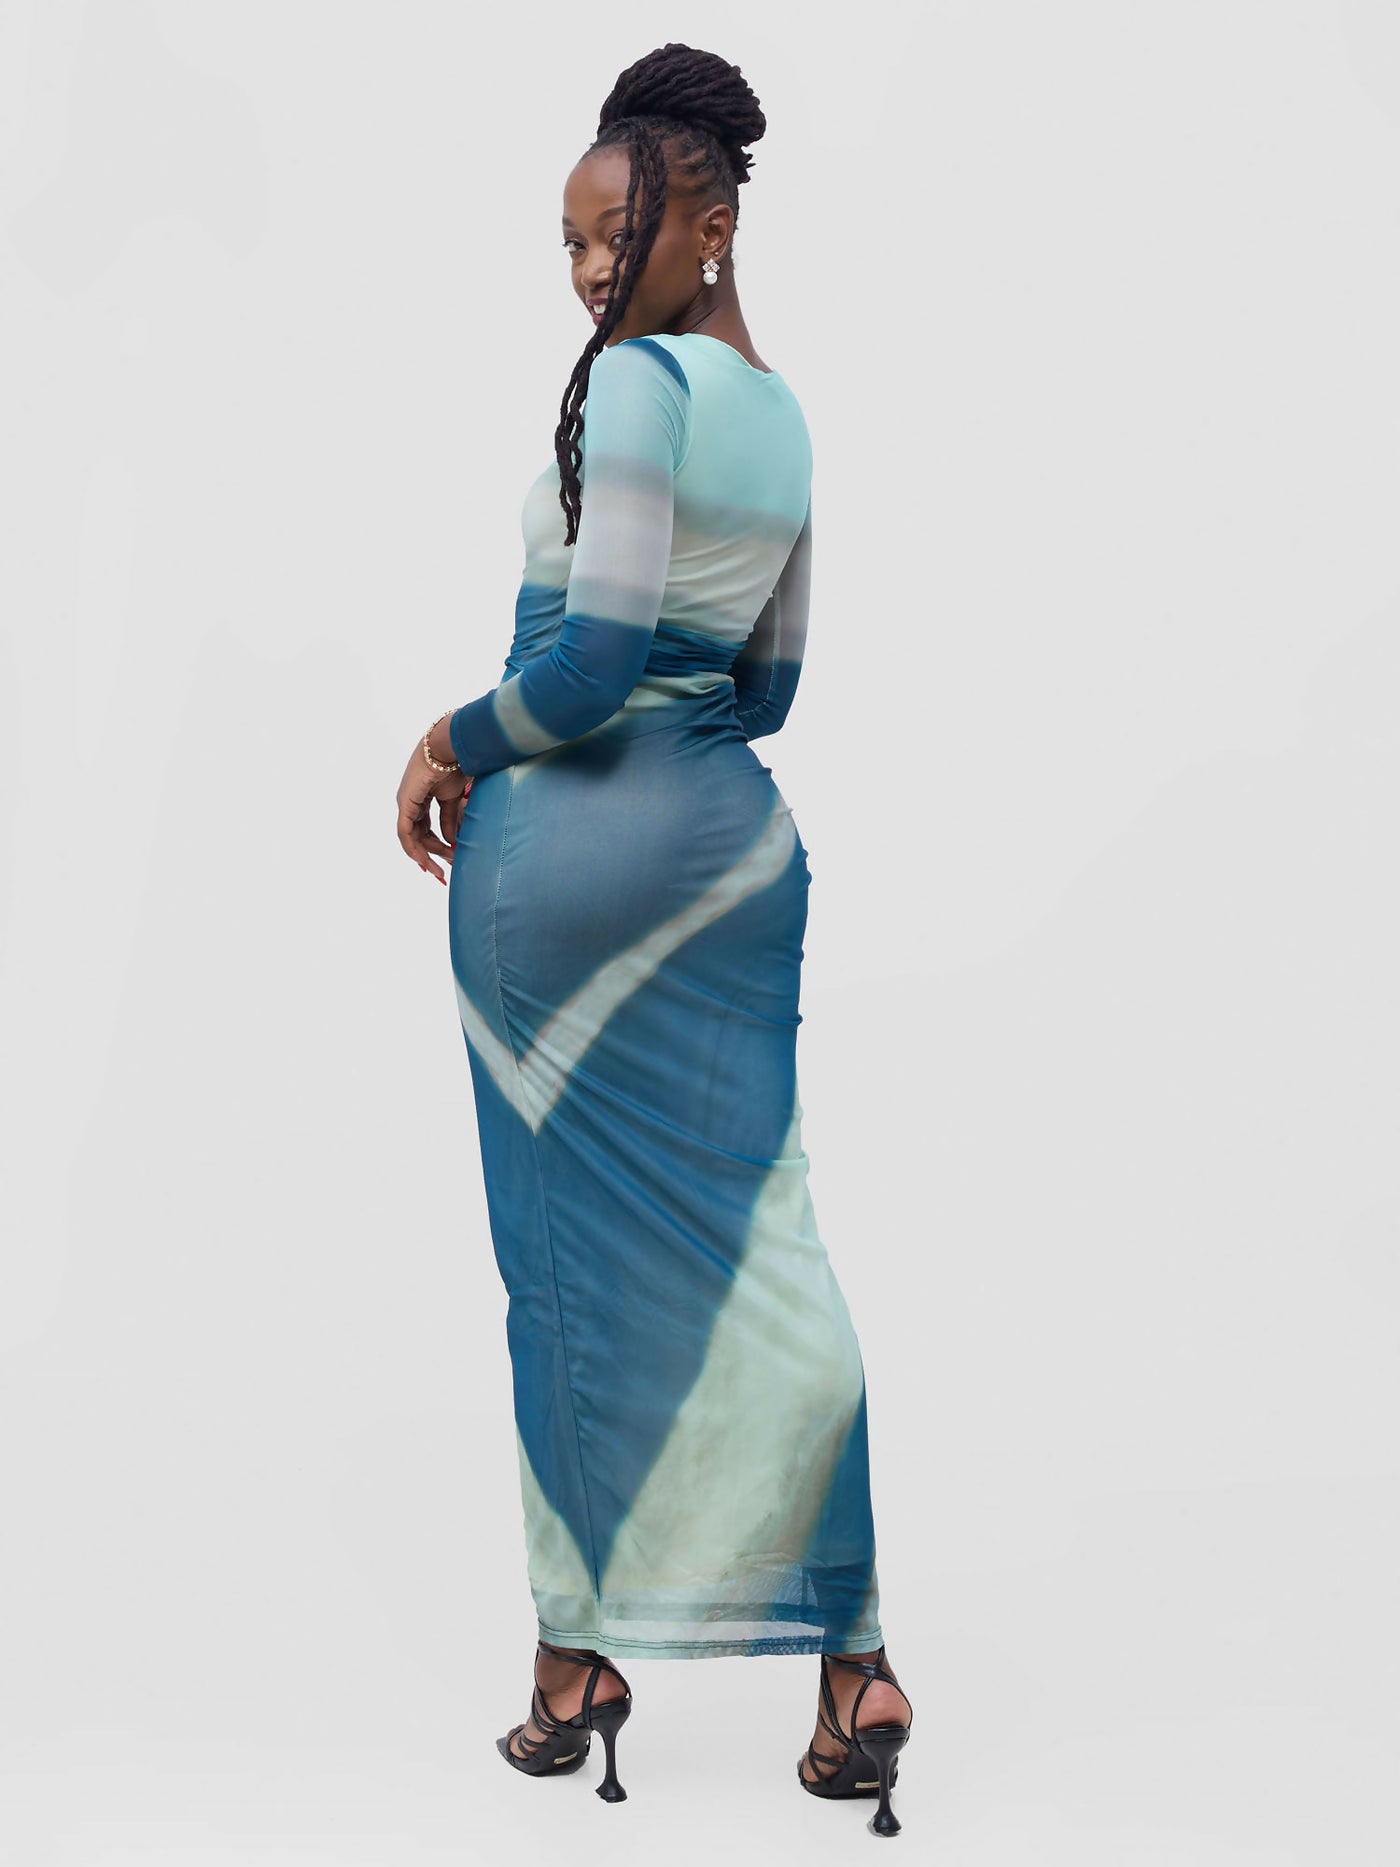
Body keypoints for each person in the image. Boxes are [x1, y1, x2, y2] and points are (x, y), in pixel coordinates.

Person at [395, 42, 914, 1838]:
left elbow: (593, 658)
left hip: (564, 865)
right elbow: (764, 691)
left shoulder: (631, 387)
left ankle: (576, 1664)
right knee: (767, 1239)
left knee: (555, 1263)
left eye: (611, 236)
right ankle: (856, 1663)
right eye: (567, 243)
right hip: (730, 855)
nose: (585, 275)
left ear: (707, 226)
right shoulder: (785, 417)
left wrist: (451, 736)